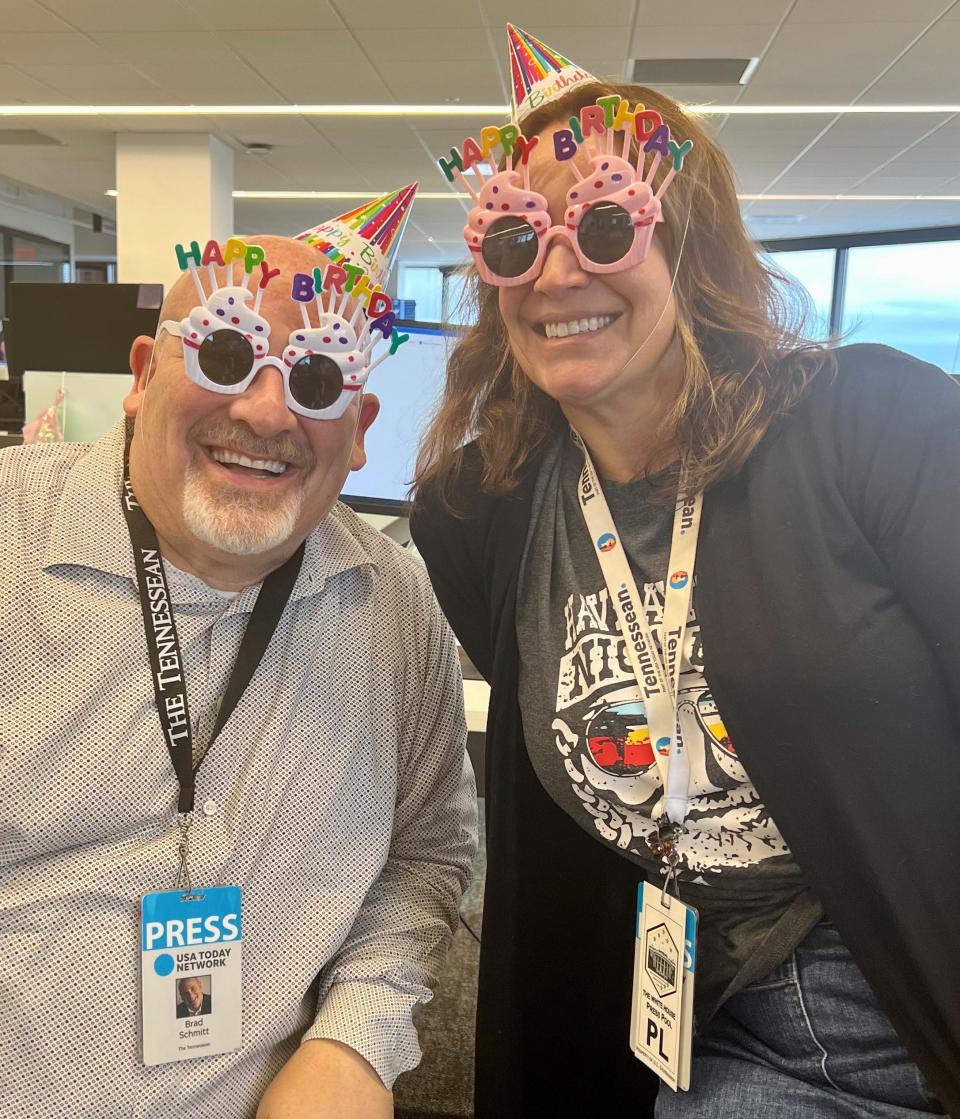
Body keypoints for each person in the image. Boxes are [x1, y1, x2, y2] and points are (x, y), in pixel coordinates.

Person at [410, 26, 960, 1119]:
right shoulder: (478, 514)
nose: (557, 269)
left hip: (902, 1003)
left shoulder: (877, 423)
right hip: (693, 1017)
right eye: (516, 239)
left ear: (691, 245)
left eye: (606, 224)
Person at [0, 217, 477, 1118]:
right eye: (224, 351)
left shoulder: (395, 604)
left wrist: (355, 1039)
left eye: (319, 377)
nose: (267, 412)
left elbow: (429, 851)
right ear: (143, 375)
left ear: (361, 424)